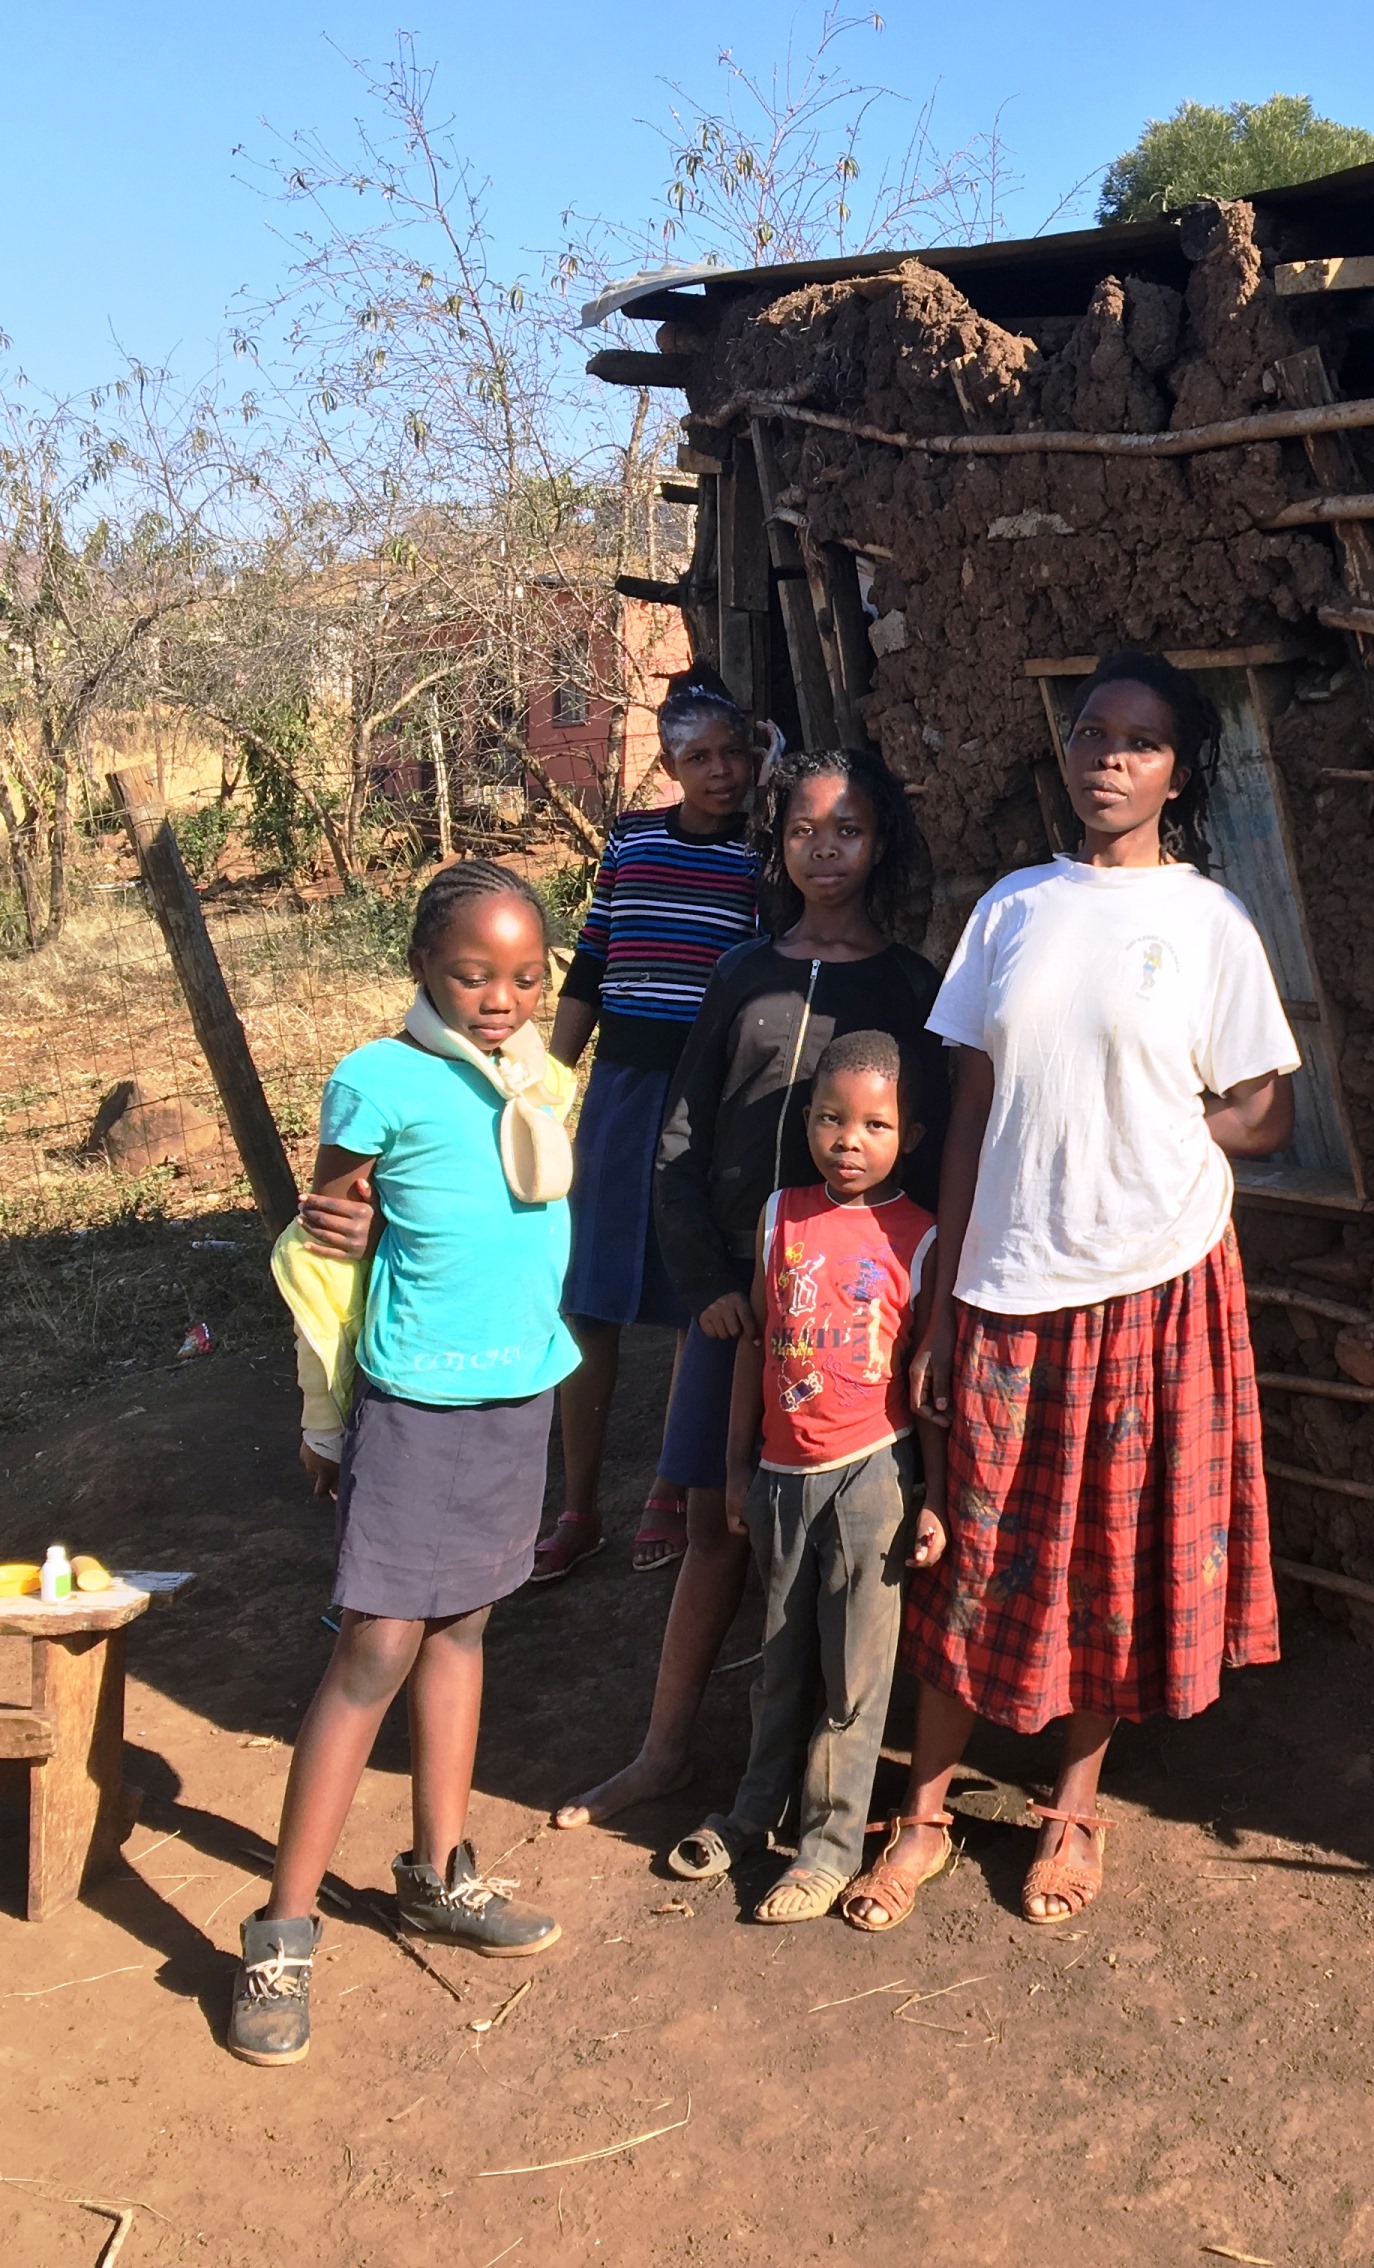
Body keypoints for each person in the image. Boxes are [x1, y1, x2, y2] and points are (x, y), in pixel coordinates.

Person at [841, 651, 1297, 1934]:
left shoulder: (1210, 924)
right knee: (973, 1544)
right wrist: (942, 1291)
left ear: (1177, 770)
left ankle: (1073, 1805)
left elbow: (1268, 1108)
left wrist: (1169, 1123)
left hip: (1156, 1279)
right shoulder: (1015, 909)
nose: (1109, 758)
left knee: (1110, 1544)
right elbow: (973, 1102)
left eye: (1140, 743)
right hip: (1006, 1276)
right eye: (1093, 734)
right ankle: (923, 1812)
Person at [550, 745, 950, 1832]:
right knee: (720, 1522)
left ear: (883, 844)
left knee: (864, 1537)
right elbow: (680, 1136)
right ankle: (666, 1749)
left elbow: (938, 1152)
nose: (828, 849)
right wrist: (709, 1281)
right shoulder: (742, 973)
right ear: (779, 843)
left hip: (857, 1320)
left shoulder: (912, 990)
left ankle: (836, 1787)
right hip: (741, 1301)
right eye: (806, 828)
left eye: (851, 829)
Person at [233, 861, 581, 2066]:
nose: (501, 998)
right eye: (473, 975)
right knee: (375, 1644)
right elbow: (325, 1245)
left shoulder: (544, 1079)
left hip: (516, 1391)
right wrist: (324, 1417)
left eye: (526, 976)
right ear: (424, 970)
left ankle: (439, 1870)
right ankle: (280, 1927)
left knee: (466, 1627)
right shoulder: (378, 1080)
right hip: (415, 1400)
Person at [663, 1028, 947, 1920]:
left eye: (873, 1124)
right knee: (778, 1656)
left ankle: (828, 1846)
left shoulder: (924, 1236)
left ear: (913, 1136)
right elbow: (754, 1347)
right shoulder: (781, 1214)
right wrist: (739, 1462)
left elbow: (924, 1382)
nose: (848, 1140)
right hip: (782, 1474)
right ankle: (754, 1810)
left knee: (854, 1671)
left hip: (874, 1474)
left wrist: (933, 1495)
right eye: (830, 1119)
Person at [533, 669, 767, 1582]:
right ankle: (579, 1503)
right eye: (698, 756)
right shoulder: (630, 847)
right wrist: (551, 1083)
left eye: (733, 753)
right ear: (668, 764)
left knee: (688, 1297)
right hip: (621, 1089)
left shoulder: (760, 860)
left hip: (703, 1091)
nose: (720, 772)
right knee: (590, 1294)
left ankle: (671, 1490)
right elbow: (591, 962)